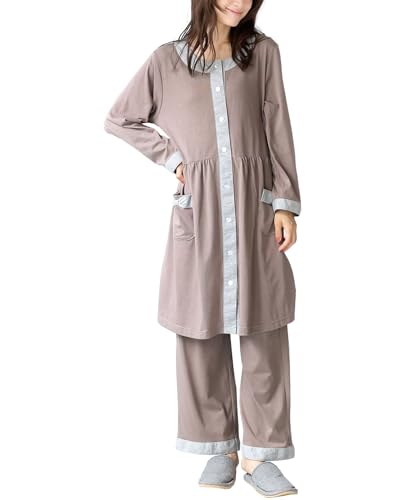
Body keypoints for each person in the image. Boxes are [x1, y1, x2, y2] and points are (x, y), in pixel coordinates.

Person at [104, 0, 301, 496]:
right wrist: (173, 157)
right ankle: (220, 447)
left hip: (256, 209)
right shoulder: (165, 61)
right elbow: (120, 119)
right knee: (200, 328)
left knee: (264, 329)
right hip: (199, 212)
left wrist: (285, 203)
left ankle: (260, 455)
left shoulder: (263, 54)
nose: (240, 2)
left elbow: (278, 126)